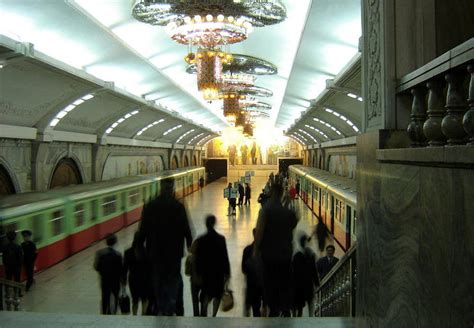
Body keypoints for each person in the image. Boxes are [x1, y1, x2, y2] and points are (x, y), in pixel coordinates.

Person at [138, 178, 193, 316]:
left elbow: (142, 229)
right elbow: (186, 228)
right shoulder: (178, 206)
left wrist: (139, 247)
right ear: (172, 187)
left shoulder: (150, 206)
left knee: (158, 278)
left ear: (161, 187)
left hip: (155, 252)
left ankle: (160, 305)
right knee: (173, 278)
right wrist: (189, 244)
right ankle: (170, 305)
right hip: (174, 252)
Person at [254, 184, 298, 317]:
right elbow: (293, 223)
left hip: (269, 255)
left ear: (272, 192)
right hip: (285, 255)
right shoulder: (288, 212)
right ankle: (285, 310)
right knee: (284, 283)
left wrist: (255, 250)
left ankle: (273, 310)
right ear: (282, 193)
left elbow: (260, 231)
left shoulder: (266, 210)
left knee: (270, 283)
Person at [195, 215, 231, 317]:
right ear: (214, 223)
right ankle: (214, 315)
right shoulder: (221, 239)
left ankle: (204, 311)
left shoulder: (201, 240)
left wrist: (198, 272)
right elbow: (225, 256)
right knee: (217, 294)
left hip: (206, 271)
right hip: (218, 271)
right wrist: (227, 272)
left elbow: (198, 258)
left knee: (206, 293)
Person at [94, 233, 123, 315]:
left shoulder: (99, 253)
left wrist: (102, 272)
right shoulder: (118, 255)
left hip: (104, 280)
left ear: (106, 242)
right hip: (115, 281)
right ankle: (113, 312)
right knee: (116, 296)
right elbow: (121, 269)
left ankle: (104, 312)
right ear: (115, 242)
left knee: (105, 297)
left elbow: (96, 267)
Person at [122, 231, 150, 315]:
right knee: (145, 299)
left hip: (133, 279)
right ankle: (144, 315)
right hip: (145, 279)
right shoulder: (146, 252)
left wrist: (123, 281)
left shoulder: (128, 252)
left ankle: (134, 316)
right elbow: (150, 268)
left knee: (135, 300)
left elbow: (125, 268)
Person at [292, 233, 319, 317]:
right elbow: (313, 270)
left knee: (300, 305)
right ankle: (310, 318)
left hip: (299, 284)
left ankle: (300, 317)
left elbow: (293, 271)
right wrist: (316, 282)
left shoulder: (296, 255)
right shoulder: (310, 254)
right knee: (309, 302)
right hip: (307, 284)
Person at [242, 229, 264, 317]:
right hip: (261, 284)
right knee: (257, 309)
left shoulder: (247, 250)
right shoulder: (265, 250)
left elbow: (243, 269)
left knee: (251, 307)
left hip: (251, 284)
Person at [185, 240, 202, 317]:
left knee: (195, 301)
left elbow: (187, 273)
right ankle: (203, 315)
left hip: (194, 282)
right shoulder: (205, 258)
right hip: (204, 281)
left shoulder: (190, 258)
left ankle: (196, 316)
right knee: (203, 300)